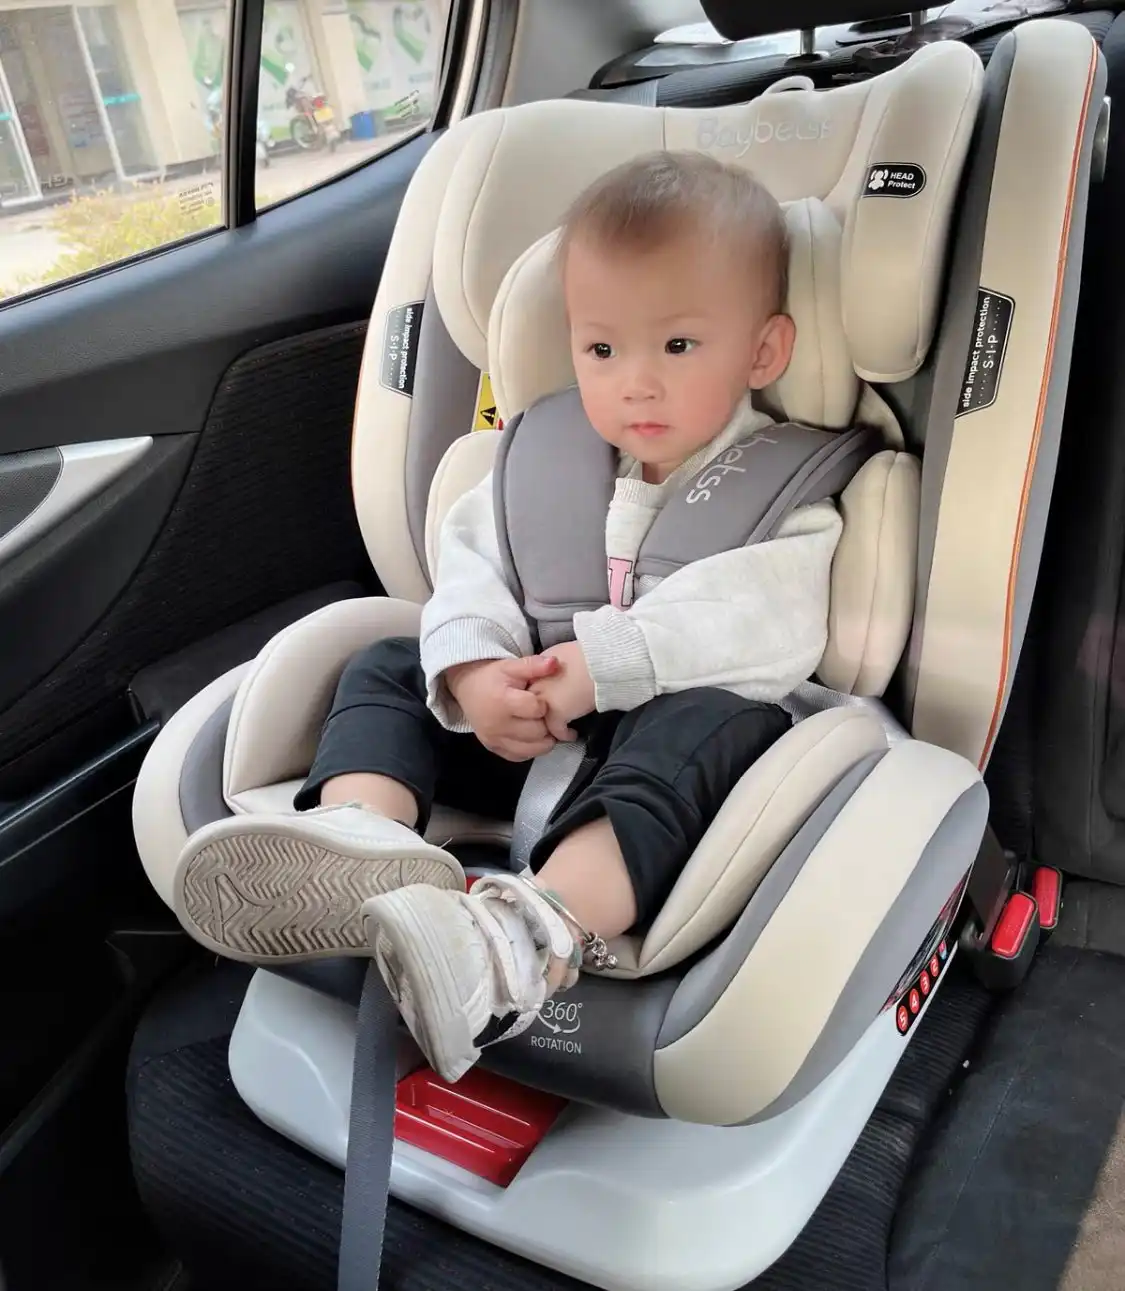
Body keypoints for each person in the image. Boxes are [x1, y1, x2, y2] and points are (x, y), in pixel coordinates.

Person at [170, 150, 843, 1083]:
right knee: (388, 664)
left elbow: (763, 623)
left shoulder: (787, 493)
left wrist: (602, 664)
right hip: (520, 729)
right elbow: (470, 576)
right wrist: (476, 674)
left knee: (712, 726)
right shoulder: (536, 468)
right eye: (601, 350)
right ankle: (366, 846)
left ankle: (517, 939)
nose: (635, 382)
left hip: (659, 772)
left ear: (763, 352)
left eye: (678, 346)